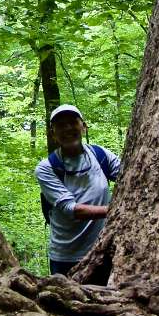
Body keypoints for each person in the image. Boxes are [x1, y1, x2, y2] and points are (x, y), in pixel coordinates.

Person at [35, 104, 121, 283]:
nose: (67, 128)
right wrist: (116, 210)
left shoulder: (101, 155)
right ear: (53, 134)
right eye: (60, 125)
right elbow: (72, 209)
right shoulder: (47, 168)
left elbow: (131, 175)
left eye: (72, 122)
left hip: (102, 250)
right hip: (66, 257)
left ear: (83, 126)